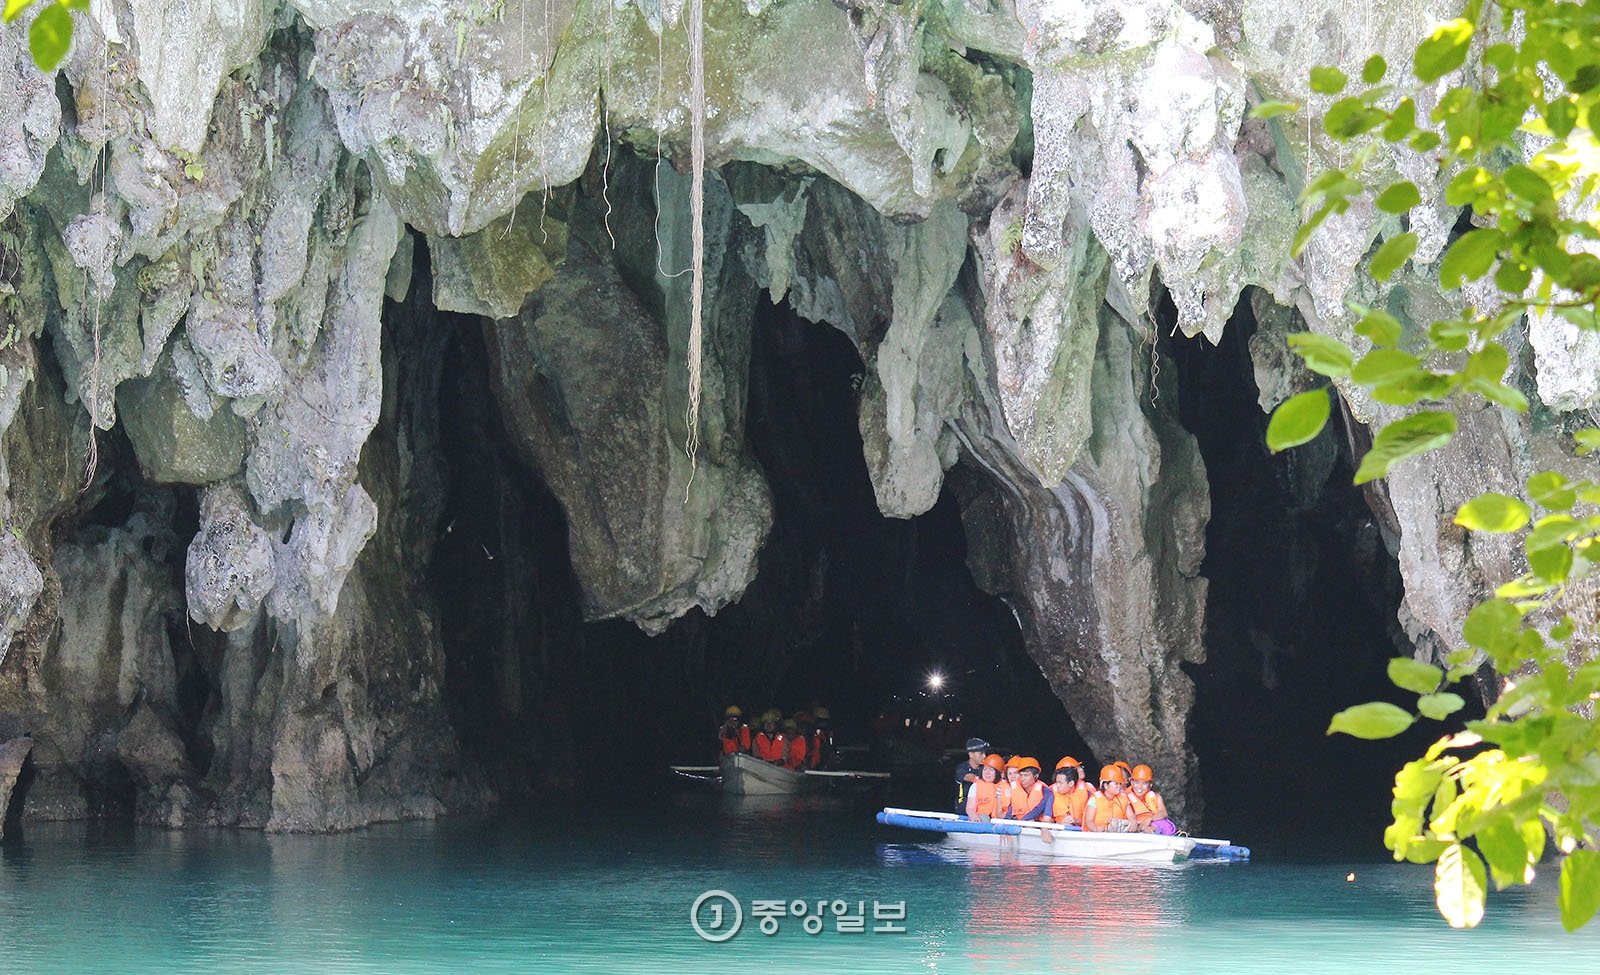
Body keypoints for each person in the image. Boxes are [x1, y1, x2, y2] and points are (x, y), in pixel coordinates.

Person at [1083, 764, 1137, 832]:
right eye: (1116, 784)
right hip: (1098, 835)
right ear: (1106, 785)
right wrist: (1097, 829)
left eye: (1120, 784)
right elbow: (1089, 821)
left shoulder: (1124, 798)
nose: (1119, 786)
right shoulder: (1094, 799)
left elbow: (1131, 816)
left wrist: (1133, 821)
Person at [1045, 756, 1097, 827]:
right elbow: (1045, 816)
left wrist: (1077, 820)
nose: (1081, 770)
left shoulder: (1087, 788)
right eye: (1077, 768)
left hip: (1082, 828)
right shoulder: (1052, 792)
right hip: (1060, 829)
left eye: (1080, 767)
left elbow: (1096, 815)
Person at [1128, 764, 1176, 835]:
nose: (1139, 787)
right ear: (1131, 782)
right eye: (1136, 782)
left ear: (1150, 785)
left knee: (1164, 825)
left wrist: (1149, 819)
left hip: (1152, 824)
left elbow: (1163, 813)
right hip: (1136, 826)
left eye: (1144, 783)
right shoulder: (1125, 796)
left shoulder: (1156, 797)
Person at [954, 737, 990, 813]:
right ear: (971, 754)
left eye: (984, 753)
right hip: (963, 810)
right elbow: (970, 777)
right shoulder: (962, 768)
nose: (984, 756)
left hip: (982, 809)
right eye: (981, 753)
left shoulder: (985, 768)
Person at [965, 754, 1006, 821]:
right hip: (981, 820)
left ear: (998, 773)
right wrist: (974, 817)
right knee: (984, 818)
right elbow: (970, 808)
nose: (987, 773)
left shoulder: (1005, 786)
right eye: (985, 769)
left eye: (991, 770)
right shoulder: (975, 786)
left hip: (1000, 821)